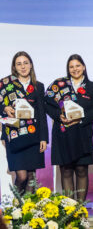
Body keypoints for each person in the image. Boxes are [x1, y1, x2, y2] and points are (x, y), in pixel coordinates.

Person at [44, 54, 93, 201]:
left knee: (82, 170)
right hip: (63, 135)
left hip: (83, 134)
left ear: (83, 67)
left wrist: (81, 119)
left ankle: (81, 210)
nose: (75, 69)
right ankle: (70, 211)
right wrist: (59, 115)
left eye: (78, 66)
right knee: (66, 171)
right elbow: (47, 104)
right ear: (68, 69)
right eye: (71, 67)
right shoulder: (59, 85)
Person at [0, 51, 48, 194]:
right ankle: (15, 208)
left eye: (25, 63)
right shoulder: (4, 83)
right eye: (19, 64)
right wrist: (4, 108)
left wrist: (43, 138)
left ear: (31, 65)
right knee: (22, 176)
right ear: (14, 67)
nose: (23, 67)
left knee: (31, 177)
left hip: (33, 136)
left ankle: (28, 212)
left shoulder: (38, 86)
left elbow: (41, 113)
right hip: (14, 135)